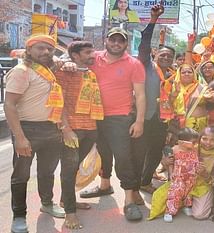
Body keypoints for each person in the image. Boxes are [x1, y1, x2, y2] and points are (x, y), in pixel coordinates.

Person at [78, 27, 146, 221]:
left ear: (125, 43)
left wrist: (139, 121)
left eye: (121, 41)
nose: (116, 43)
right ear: (106, 40)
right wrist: (63, 62)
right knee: (102, 153)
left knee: (123, 157)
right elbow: (72, 59)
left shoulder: (134, 64)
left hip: (120, 117)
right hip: (93, 116)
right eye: (113, 40)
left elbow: (140, 95)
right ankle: (105, 186)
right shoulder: (93, 58)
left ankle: (129, 201)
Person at [4, 34, 65, 233]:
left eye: (50, 49)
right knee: (21, 176)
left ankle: (47, 203)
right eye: (40, 48)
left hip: (51, 129)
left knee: (47, 172)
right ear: (28, 50)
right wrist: (20, 138)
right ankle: (19, 216)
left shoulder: (49, 70)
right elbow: (10, 105)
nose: (46, 52)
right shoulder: (22, 71)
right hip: (27, 129)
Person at [55, 41, 104, 229]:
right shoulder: (66, 72)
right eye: (88, 52)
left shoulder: (90, 73)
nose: (93, 55)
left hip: (90, 129)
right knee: (68, 171)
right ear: (75, 55)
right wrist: (66, 129)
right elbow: (58, 101)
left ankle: (65, 201)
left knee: (74, 168)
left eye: (92, 51)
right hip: (72, 130)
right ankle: (70, 213)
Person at [163, 128, 200, 222]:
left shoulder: (194, 150)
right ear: (182, 142)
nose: (196, 144)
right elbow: (171, 163)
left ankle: (186, 206)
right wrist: (171, 172)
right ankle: (169, 211)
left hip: (191, 177)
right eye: (193, 142)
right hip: (178, 177)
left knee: (188, 193)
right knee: (175, 193)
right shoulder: (174, 150)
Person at [170, 64, 214, 132]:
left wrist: (209, 99)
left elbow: (212, 100)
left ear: (194, 74)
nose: (187, 74)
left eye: (189, 72)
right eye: (183, 72)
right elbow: (167, 105)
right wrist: (175, 94)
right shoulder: (173, 87)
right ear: (179, 74)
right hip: (177, 125)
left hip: (197, 125)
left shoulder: (202, 88)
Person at [192, 126, 214, 219]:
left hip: (204, 186)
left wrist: (204, 174)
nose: (208, 143)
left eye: (212, 140)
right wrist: (167, 162)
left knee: (199, 215)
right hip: (187, 183)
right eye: (204, 139)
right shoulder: (192, 148)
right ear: (199, 138)